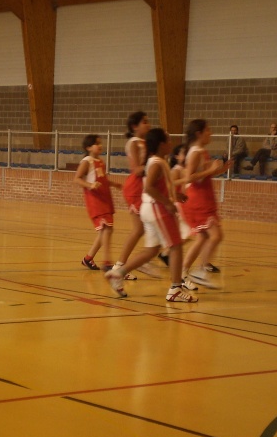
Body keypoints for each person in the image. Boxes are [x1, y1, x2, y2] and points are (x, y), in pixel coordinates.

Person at [104, 128, 197, 303]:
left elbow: (158, 185)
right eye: (168, 140)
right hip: (156, 208)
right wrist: (168, 202)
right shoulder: (156, 162)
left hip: (150, 208)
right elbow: (149, 188)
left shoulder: (158, 161)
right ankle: (175, 289)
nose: (171, 144)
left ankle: (118, 273)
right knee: (176, 246)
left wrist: (174, 195)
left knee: (152, 250)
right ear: (161, 144)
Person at [181, 119, 232, 289]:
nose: (210, 133)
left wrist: (222, 169)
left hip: (204, 197)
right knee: (216, 236)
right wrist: (211, 170)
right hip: (198, 199)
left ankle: (183, 271)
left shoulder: (201, 151)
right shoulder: (195, 152)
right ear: (199, 133)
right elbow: (189, 177)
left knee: (202, 238)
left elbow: (204, 174)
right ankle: (200, 271)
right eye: (208, 130)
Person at [112, 111, 158, 279]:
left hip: (143, 188)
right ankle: (141, 260)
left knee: (140, 230)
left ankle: (121, 266)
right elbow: (136, 169)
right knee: (142, 228)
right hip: (135, 188)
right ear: (134, 126)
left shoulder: (146, 142)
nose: (148, 124)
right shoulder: (134, 143)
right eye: (144, 122)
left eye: (148, 121)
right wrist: (156, 164)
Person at [74, 134, 121, 270]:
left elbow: (103, 179)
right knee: (107, 229)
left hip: (105, 198)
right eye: (96, 143)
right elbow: (76, 179)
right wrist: (90, 185)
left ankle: (88, 258)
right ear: (88, 147)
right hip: (95, 200)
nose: (100, 146)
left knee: (105, 231)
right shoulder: (87, 161)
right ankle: (107, 261)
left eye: (100, 143)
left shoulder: (100, 161)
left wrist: (114, 184)